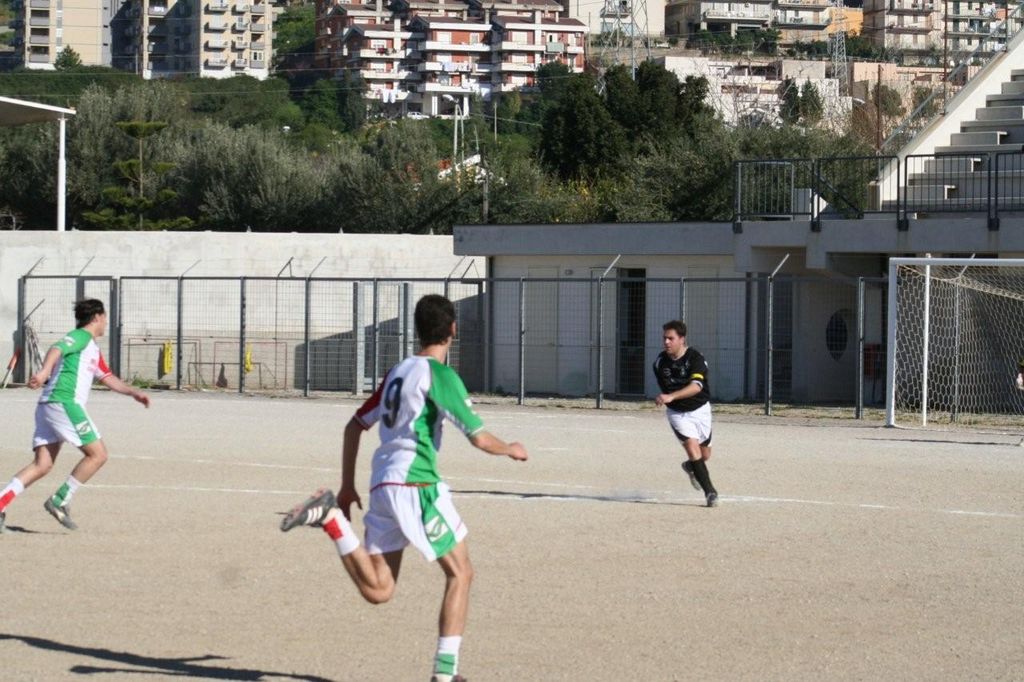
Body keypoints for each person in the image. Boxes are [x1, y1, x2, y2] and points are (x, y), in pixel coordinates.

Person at [280, 294, 528, 682]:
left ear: (418, 330)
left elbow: (354, 426)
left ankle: (333, 521)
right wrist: (510, 448)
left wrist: (347, 487)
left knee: (379, 590)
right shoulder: (441, 376)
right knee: (461, 573)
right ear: (453, 329)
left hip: (382, 485)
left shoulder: (398, 371)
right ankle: (444, 676)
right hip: (416, 484)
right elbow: (479, 438)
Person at [0, 299, 150, 533]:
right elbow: (57, 348)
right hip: (64, 402)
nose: (106, 322)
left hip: (48, 405)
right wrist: (44, 372)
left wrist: (133, 392)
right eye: (105, 317)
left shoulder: (92, 349)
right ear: (97, 317)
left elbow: (108, 377)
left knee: (42, 465)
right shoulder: (81, 337)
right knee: (98, 455)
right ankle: (60, 500)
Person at [653, 319, 719, 508]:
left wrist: (671, 396)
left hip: (700, 409)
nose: (666, 342)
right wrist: (668, 399)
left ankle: (691, 466)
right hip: (678, 413)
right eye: (664, 338)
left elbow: (696, 386)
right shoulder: (660, 363)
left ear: (682, 339)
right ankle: (710, 493)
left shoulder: (695, 358)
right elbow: (666, 390)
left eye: (670, 338)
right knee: (692, 447)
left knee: (704, 455)